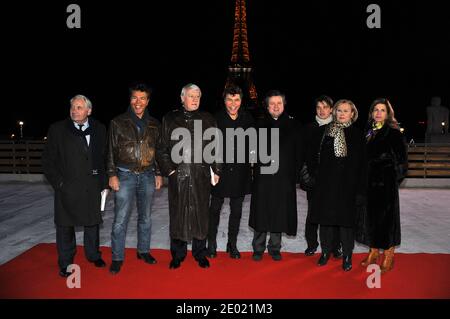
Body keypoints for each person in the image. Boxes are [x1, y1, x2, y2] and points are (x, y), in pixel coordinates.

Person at [157, 83, 222, 269]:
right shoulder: (170, 119)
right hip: (179, 175)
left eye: (198, 96)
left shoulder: (208, 118)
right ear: (182, 98)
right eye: (191, 96)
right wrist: (170, 170)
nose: (195, 99)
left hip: (201, 175)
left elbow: (216, 147)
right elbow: (161, 149)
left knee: (201, 214)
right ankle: (177, 255)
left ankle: (200, 253)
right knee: (178, 214)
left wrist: (217, 170)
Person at [43, 95, 108, 277]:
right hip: (67, 187)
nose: (74, 110)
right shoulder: (57, 129)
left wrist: (104, 183)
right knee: (65, 226)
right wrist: (59, 183)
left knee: (92, 223)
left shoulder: (99, 128)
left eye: (79, 107)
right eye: (72, 107)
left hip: (91, 185)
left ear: (89, 111)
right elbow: (48, 161)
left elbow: (103, 158)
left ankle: (94, 255)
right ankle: (65, 262)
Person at [106, 83, 163, 275]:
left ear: (148, 101)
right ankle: (117, 257)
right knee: (120, 219)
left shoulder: (155, 124)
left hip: (147, 175)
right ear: (130, 100)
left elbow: (157, 151)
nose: (138, 102)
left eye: (142, 98)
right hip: (124, 175)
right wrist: (112, 174)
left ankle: (143, 251)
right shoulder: (117, 122)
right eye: (134, 98)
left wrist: (157, 173)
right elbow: (111, 152)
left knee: (145, 217)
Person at [310, 99, 366, 271]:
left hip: (348, 187)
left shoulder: (357, 134)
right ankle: (325, 252)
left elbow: (363, 165)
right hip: (326, 186)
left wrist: (360, 190)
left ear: (352, 114)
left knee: (346, 223)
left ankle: (347, 254)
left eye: (346, 111)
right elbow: (318, 159)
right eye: (339, 110)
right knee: (325, 221)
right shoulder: (327, 132)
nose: (342, 113)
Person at [249, 90, 303, 261]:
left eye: (279, 103)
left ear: (284, 104)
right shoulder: (258, 125)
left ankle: (274, 247)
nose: (275, 106)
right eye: (272, 103)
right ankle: (258, 247)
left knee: (280, 211)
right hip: (263, 178)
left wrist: (294, 175)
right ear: (267, 106)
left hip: (284, 178)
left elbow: (299, 153)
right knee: (261, 211)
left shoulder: (294, 126)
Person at [356, 98, 407, 274]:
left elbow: (401, 163)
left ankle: (388, 255)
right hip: (368, 185)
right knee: (370, 219)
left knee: (387, 222)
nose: (378, 113)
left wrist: (391, 181)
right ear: (371, 113)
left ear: (388, 113)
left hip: (385, 185)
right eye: (375, 110)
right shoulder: (368, 132)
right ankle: (373, 252)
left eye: (382, 110)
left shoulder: (393, 133)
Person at [207, 85, 254, 259]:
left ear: (241, 101)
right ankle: (211, 243)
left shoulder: (248, 119)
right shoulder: (215, 118)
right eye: (229, 99)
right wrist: (213, 169)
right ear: (224, 100)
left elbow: (252, 144)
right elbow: (209, 147)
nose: (233, 104)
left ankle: (231, 244)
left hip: (240, 171)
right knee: (215, 209)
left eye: (236, 100)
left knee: (237, 210)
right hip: (220, 170)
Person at [301, 95, 342, 259]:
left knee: (333, 214)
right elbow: (303, 155)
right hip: (313, 179)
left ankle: (335, 246)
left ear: (331, 109)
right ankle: (311, 244)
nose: (322, 110)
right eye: (319, 107)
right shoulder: (309, 128)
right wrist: (307, 176)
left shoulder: (338, 128)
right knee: (312, 214)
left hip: (332, 181)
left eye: (325, 107)